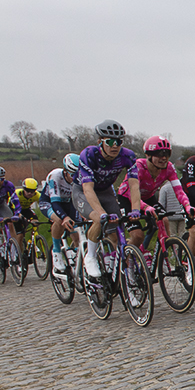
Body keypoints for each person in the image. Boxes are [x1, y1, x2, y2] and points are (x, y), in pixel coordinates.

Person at [76, 119, 139, 277]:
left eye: (118, 142)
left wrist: (136, 210)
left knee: (117, 229)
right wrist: (101, 212)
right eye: (110, 142)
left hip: (105, 191)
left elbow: (134, 186)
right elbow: (88, 188)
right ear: (100, 141)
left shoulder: (128, 156)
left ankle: (116, 265)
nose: (114, 146)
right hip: (83, 191)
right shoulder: (89, 154)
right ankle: (90, 256)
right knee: (99, 219)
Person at [120, 136, 195, 248]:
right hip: (128, 199)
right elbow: (132, 194)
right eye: (159, 154)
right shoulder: (138, 167)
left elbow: (179, 191)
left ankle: (163, 253)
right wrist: (146, 207)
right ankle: (130, 255)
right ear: (148, 155)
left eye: (167, 154)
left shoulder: (169, 167)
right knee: (138, 236)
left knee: (164, 220)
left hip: (148, 197)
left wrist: (187, 206)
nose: (164, 158)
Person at [41, 154, 84, 276]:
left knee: (77, 228)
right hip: (49, 202)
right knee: (60, 220)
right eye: (72, 175)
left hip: (68, 203)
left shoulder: (80, 178)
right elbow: (55, 202)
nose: (75, 178)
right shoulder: (55, 176)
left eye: (77, 174)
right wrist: (64, 217)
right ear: (65, 171)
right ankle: (56, 252)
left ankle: (77, 256)